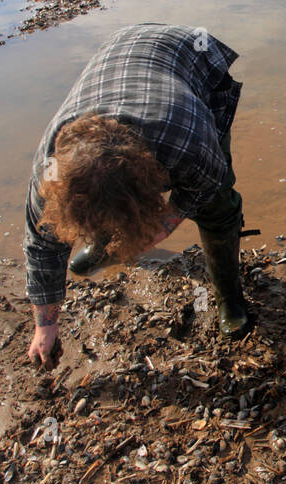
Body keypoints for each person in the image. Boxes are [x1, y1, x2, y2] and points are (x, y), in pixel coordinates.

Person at [23, 22, 253, 367]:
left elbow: (205, 185)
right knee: (101, 201)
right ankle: (106, 246)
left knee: (218, 206)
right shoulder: (52, 170)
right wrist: (46, 325)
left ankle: (229, 296)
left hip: (188, 55)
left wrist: (163, 226)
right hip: (116, 57)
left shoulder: (186, 141)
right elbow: (41, 244)